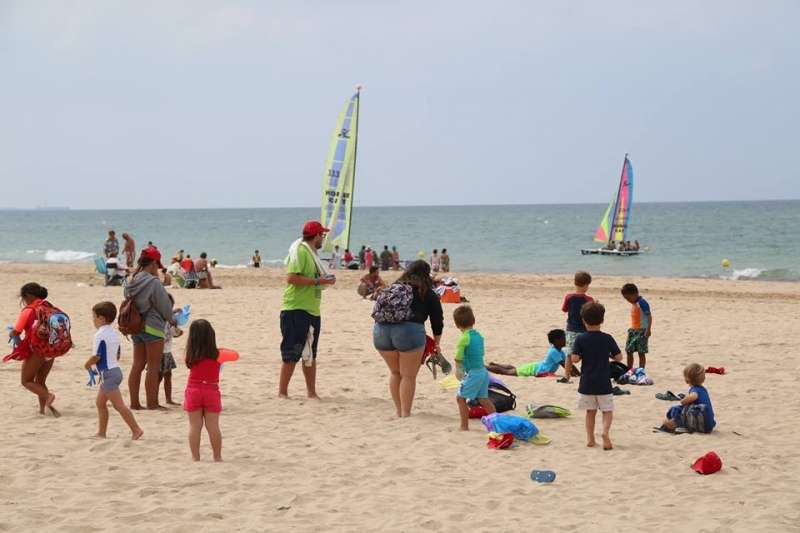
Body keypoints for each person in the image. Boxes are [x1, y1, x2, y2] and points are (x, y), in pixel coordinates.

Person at [373, 260, 443, 417]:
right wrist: (437, 343)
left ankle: (398, 410)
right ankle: (406, 413)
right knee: (408, 376)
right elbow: (437, 321)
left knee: (395, 373)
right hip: (409, 332)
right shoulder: (428, 293)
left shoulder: (394, 288)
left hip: (381, 331)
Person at [279, 221, 336, 399]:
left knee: (310, 354)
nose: (323, 239)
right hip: (296, 308)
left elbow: (310, 278)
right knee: (292, 353)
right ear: (316, 236)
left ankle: (311, 392)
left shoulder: (311, 254)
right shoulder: (301, 251)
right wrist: (319, 281)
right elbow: (291, 278)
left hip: (311, 309)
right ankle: (282, 393)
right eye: (322, 235)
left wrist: (324, 280)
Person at [124, 246, 176, 410]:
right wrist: (172, 320)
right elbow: (165, 306)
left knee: (137, 365)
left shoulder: (130, 280)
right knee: (153, 367)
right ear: (153, 263)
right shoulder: (154, 283)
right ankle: (152, 403)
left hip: (135, 325)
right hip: (153, 326)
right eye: (157, 265)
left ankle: (134, 403)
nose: (157, 268)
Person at [84, 301, 143, 440]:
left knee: (119, 405)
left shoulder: (99, 335)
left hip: (108, 374)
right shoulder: (113, 333)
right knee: (100, 403)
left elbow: (96, 356)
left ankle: (136, 430)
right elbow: (117, 354)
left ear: (101, 318)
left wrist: (87, 365)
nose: (93, 320)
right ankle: (101, 433)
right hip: (115, 371)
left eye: (94, 317)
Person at [570, 302, 623, 450]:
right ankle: (605, 432)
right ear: (602, 320)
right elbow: (619, 357)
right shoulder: (607, 338)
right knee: (607, 410)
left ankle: (590, 438)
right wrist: (609, 354)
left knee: (590, 412)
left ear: (584, 320)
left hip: (587, 382)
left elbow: (574, 359)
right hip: (604, 382)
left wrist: (580, 354)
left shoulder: (580, 338)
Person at [6, 283, 61, 417]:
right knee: (40, 382)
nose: (23, 301)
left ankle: (48, 396)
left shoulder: (28, 310)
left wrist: (11, 333)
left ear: (29, 296)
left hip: (37, 350)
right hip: (52, 349)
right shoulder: (50, 307)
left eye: (23, 298)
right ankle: (44, 410)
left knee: (26, 381)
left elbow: (17, 331)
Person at [184, 320, 224, 461]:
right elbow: (234, 355)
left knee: (194, 426)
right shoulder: (218, 354)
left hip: (193, 389)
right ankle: (217, 457)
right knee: (213, 426)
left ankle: (195, 457)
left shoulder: (190, 355)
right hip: (211, 389)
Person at [453, 305, 495, 430]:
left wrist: (458, 370)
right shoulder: (478, 336)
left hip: (474, 373)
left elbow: (458, 358)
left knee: (460, 398)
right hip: (483, 372)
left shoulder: (464, 338)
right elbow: (480, 353)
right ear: (474, 321)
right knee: (483, 399)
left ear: (457, 325)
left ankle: (464, 426)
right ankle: (497, 422)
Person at [658, 363, 716, 434]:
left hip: (701, 423)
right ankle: (673, 422)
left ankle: (677, 424)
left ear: (687, 380)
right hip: (709, 425)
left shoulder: (695, 389)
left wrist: (683, 401)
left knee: (676, 409)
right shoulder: (703, 389)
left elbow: (694, 396)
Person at [487, 329, 568, 377]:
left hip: (536, 367)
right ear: (556, 341)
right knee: (507, 372)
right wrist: (574, 373)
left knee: (514, 369)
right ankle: (485, 367)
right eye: (563, 338)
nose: (566, 340)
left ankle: (495, 365)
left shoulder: (560, 352)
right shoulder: (554, 352)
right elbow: (565, 366)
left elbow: (568, 365)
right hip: (535, 370)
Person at [559, 271, 594, 383]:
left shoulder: (569, 297)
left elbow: (564, 309)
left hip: (571, 329)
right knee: (586, 354)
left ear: (575, 283)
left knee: (569, 354)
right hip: (584, 330)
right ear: (586, 285)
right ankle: (586, 375)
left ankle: (566, 376)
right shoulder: (589, 299)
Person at [621, 283, 653, 369]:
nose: (628, 300)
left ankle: (641, 370)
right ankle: (629, 369)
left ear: (635, 294)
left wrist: (648, 329)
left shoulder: (642, 303)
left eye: (628, 298)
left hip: (642, 331)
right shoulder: (634, 303)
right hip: (633, 330)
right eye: (626, 299)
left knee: (641, 352)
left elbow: (649, 316)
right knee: (629, 350)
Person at [159, 293, 183, 406]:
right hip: (160, 352)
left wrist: (178, 331)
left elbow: (173, 333)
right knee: (159, 377)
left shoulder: (169, 320)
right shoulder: (160, 318)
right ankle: (154, 399)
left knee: (168, 376)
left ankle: (168, 399)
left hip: (167, 351)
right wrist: (172, 315)